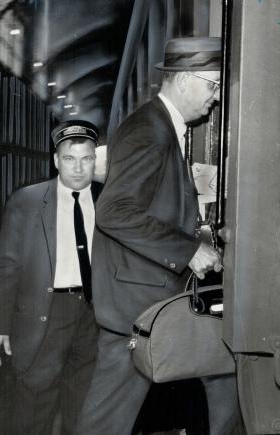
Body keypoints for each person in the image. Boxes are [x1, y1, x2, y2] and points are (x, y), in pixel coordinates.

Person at [76, 37, 239, 435]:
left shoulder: (162, 126)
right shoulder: (149, 129)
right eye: (213, 85)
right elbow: (114, 211)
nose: (216, 98)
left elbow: (150, 204)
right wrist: (188, 250)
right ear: (183, 80)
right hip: (139, 307)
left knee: (221, 374)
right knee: (108, 415)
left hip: (147, 298)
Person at [0, 120, 102, 435]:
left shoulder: (109, 199)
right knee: (34, 408)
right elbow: (6, 265)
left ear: (96, 159)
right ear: (55, 160)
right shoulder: (28, 201)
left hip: (95, 317)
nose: (78, 168)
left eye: (86, 159)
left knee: (84, 408)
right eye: (69, 158)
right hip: (46, 313)